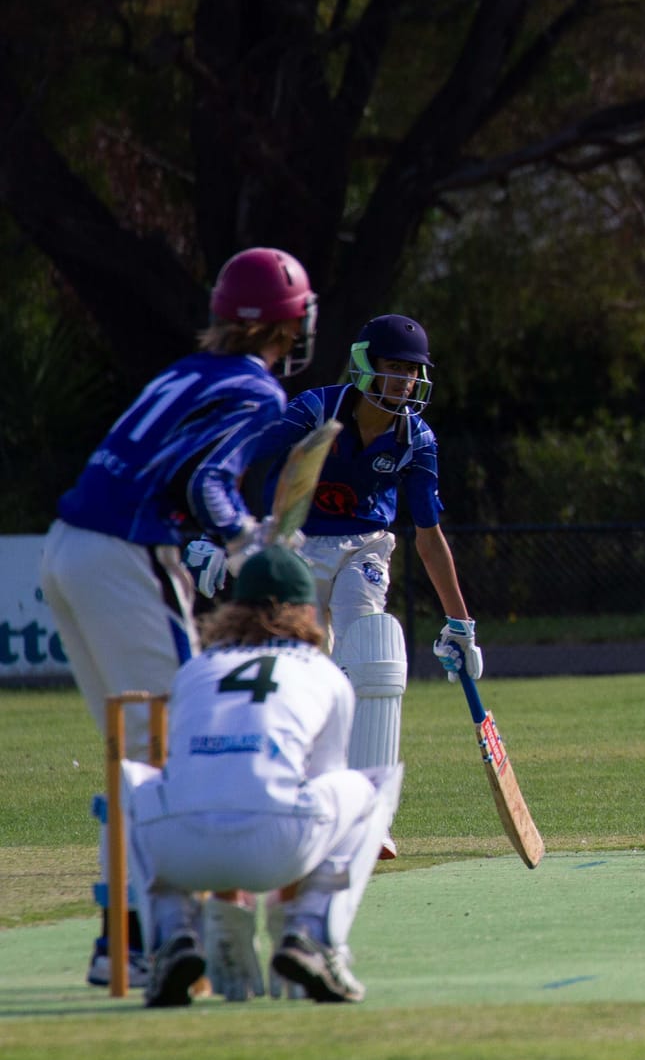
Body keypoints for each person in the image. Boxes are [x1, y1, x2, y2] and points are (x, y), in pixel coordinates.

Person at [42, 246, 317, 987]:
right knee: (178, 740)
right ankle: (152, 936)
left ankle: (123, 938)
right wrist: (244, 538)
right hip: (125, 556)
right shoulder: (258, 390)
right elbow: (206, 482)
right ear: (289, 326)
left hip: (65, 549)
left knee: (136, 754)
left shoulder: (180, 371)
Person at [210, 315, 479, 847]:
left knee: (371, 648)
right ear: (366, 366)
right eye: (394, 368)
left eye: (412, 371)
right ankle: (293, 801)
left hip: (366, 547)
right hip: (296, 548)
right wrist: (223, 533)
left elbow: (429, 536)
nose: (404, 382)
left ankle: (368, 816)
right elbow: (241, 457)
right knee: (304, 673)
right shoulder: (315, 410)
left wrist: (460, 623)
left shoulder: (416, 438)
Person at [118, 545, 402, 1006]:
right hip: (280, 845)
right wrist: (283, 910)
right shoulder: (325, 674)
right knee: (369, 787)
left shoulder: (194, 670)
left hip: (180, 850)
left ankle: (172, 937)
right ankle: (310, 935)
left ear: (234, 608)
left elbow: (199, 774)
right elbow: (317, 789)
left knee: (134, 782)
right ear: (308, 609)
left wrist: (230, 905)